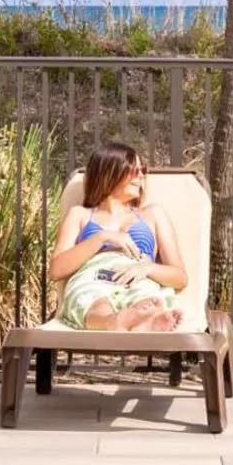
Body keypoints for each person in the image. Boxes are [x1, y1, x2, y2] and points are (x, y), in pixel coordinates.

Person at [48, 142, 188, 331]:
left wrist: (146, 268)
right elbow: (57, 270)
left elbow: (180, 277)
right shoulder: (80, 215)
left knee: (147, 299)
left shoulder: (153, 214)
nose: (141, 176)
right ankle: (112, 321)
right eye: (134, 170)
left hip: (137, 278)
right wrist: (103, 237)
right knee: (96, 303)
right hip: (92, 277)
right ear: (109, 174)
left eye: (142, 170)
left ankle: (146, 322)